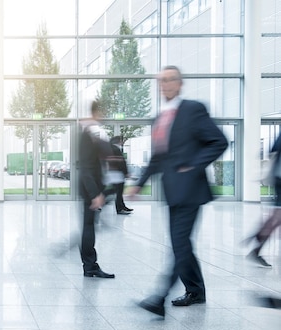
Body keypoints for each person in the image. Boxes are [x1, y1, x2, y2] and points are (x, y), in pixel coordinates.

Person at [129, 66, 228, 317]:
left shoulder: (193, 109)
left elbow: (219, 141)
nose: (165, 84)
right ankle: (196, 290)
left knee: (180, 243)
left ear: (180, 84)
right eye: (161, 80)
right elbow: (158, 158)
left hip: (191, 190)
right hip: (173, 191)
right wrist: (139, 183)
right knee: (180, 244)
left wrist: (194, 166)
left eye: (170, 79)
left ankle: (159, 297)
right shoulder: (159, 118)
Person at [77, 101, 115, 279]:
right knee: (88, 227)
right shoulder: (89, 132)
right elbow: (85, 167)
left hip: (92, 188)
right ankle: (90, 266)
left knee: (89, 226)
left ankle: (90, 265)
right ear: (97, 112)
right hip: (90, 190)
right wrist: (95, 194)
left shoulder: (92, 131)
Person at [244, 133, 281, 268]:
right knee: (277, 215)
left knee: (277, 215)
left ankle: (257, 239)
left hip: (278, 177)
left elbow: (273, 150)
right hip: (280, 178)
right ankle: (257, 241)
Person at [108, 136, 133, 215]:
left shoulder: (111, 149)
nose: (123, 142)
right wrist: (126, 173)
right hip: (118, 174)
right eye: (122, 141)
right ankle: (119, 208)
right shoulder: (116, 149)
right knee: (118, 191)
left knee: (118, 191)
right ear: (118, 141)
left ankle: (122, 206)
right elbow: (121, 162)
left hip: (115, 173)